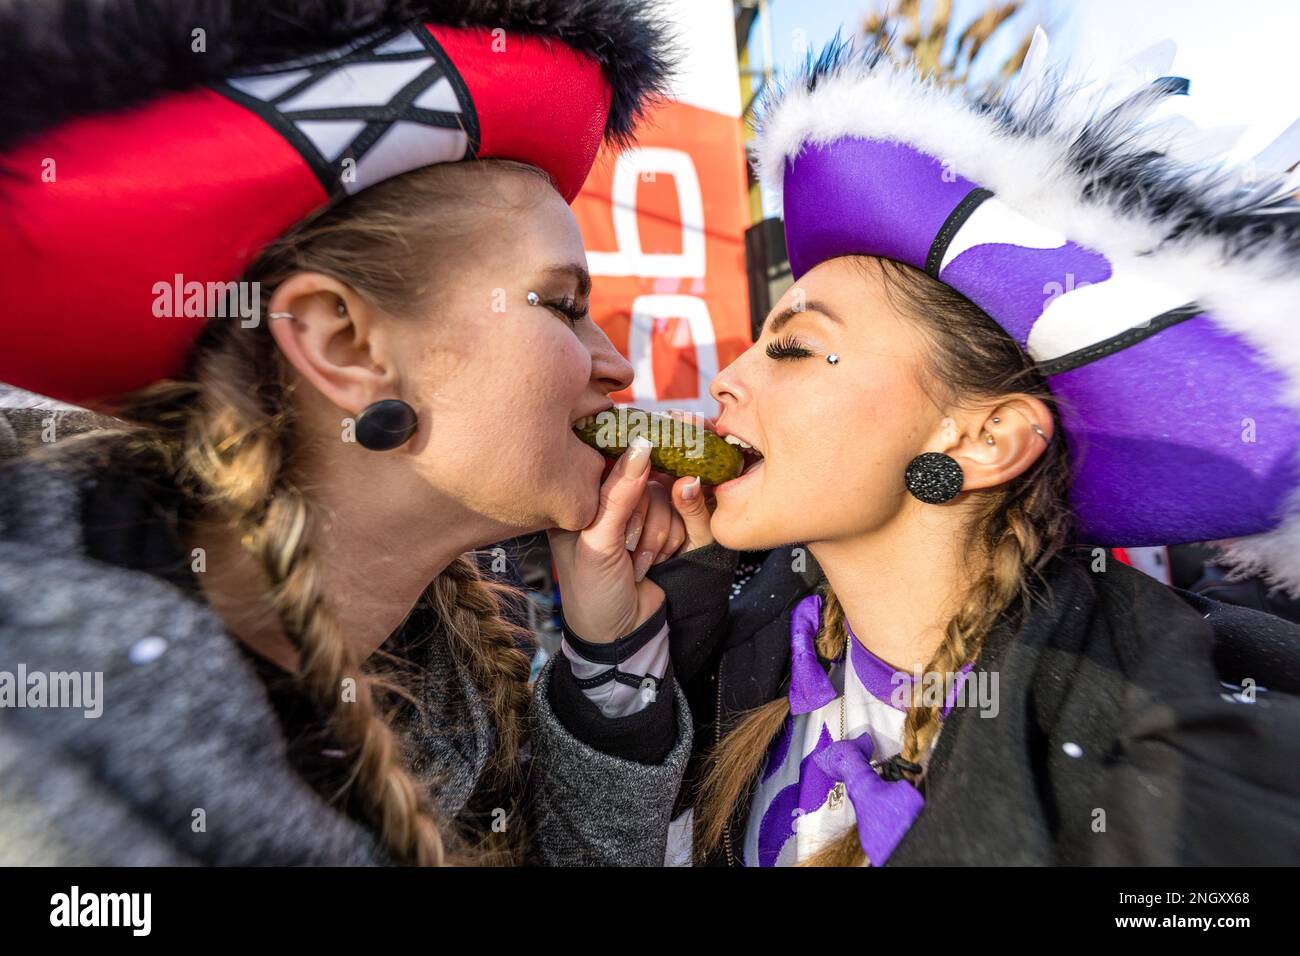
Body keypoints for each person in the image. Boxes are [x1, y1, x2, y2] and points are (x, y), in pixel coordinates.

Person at [552, 30, 1300, 866]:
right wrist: (614, 642)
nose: (725, 378)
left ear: (984, 439)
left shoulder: (1179, 765)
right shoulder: (741, 647)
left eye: (794, 349)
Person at [0, 0, 699, 867]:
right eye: (560, 305)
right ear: (343, 344)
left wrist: (608, 651)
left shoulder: (438, 665)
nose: (616, 367)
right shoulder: (41, 765)